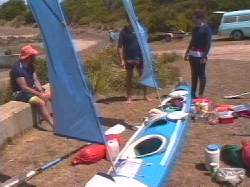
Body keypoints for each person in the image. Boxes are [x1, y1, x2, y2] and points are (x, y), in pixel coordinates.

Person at [10, 45, 53, 128]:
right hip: (20, 93)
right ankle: (53, 125)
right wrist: (39, 94)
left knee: (50, 96)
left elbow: (35, 79)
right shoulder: (17, 69)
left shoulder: (31, 66)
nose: (35, 57)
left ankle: (58, 117)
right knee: (39, 102)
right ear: (29, 57)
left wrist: (41, 91)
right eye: (33, 55)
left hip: (31, 90)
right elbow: (24, 87)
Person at [117, 24, 150, 103]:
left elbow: (145, 43)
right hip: (128, 58)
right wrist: (121, 59)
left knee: (143, 76)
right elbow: (119, 47)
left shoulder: (140, 30)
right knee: (129, 78)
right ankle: (129, 97)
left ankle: (145, 95)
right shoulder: (123, 32)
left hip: (140, 57)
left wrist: (147, 56)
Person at [184, 10, 212, 99]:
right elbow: (192, 41)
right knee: (194, 75)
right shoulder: (194, 29)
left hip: (201, 56)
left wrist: (204, 56)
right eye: (194, 19)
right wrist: (187, 52)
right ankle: (193, 94)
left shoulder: (207, 29)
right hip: (192, 55)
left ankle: (200, 95)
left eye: (195, 19)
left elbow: (208, 44)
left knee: (202, 76)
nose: (194, 21)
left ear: (200, 19)